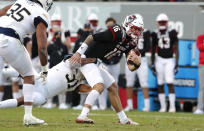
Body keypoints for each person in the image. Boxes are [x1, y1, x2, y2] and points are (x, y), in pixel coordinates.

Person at [0, 53, 140, 125]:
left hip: (44, 94)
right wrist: (92, 61)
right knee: (28, 74)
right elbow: (72, 59)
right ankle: (4, 70)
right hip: (41, 79)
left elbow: (79, 88)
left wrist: (95, 88)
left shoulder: (78, 81)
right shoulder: (71, 62)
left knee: (23, 101)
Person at [70, 14, 144, 125]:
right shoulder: (118, 31)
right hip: (87, 59)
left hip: (96, 62)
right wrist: (78, 53)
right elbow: (91, 37)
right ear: (128, 25)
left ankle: (123, 119)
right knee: (99, 85)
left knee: (113, 86)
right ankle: (83, 115)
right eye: (135, 29)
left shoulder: (130, 42)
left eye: (139, 30)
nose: (136, 32)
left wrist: (137, 64)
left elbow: (131, 67)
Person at [0, 0, 53, 125]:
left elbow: (3, 11)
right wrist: (45, 68)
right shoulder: (41, 13)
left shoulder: (21, 1)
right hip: (9, 38)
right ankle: (28, 116)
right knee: (29, 76)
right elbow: (42, 47)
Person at [151, 13, 179, 113]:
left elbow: (176, 48)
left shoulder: (172, 32)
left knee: (170, 82)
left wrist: (176, 63)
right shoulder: (154, 33)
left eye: (164, 22)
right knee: (160, 83)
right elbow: (153, 49)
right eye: (161, 22)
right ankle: (163, 107)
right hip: (159, 59)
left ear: (167, 22)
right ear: (157, 23)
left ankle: (172, 107)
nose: (162, 23)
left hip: (169, 60)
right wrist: (153, 63)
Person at [124, 15, 151, 112]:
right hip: (129, 58)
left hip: (142, 59)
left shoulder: (146, 32)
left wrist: (138, 53)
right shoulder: (128, 32)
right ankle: (129, 105)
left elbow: (148, 46)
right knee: (129, 83)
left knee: (144, 83)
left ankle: (147, 106)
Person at [99, 17, 123, 110]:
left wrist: (116, 60)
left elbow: (121, 49)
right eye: (108, 26)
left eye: (111, 26)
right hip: (105, 63)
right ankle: (102, 106)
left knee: (115, 84)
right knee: (102, 83)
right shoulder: (103, 35)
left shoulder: (119, 36)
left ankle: (115, 106)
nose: (110, 27)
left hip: (115, 64)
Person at [194, 34, 204, 114]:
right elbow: (200, 47)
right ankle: (200, 108)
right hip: (202, 64)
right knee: (202, 87)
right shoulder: (201, 37)